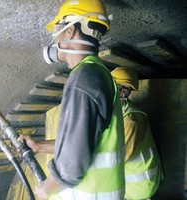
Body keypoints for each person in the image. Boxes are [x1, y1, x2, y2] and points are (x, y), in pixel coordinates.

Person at [19, 0, 126, 199]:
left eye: (57, 29)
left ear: (70, 31)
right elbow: (81, 140)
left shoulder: (84, 79)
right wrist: (39, 146)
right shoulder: (97, 72)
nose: (54, 37)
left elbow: (71, 165)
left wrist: (46, 188)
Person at [111, 67, 164, 200]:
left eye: (127, 90)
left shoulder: (131, 119)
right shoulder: (114, 111)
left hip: (139, 187)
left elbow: (119, 158)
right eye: (121, 88)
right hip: (133, 183)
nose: (123, 93)